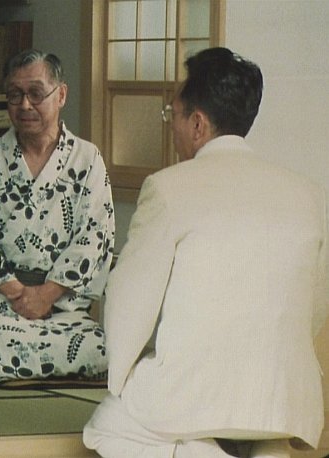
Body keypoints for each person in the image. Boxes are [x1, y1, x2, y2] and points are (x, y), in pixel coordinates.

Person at [83, 47, 329, 458]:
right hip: (285, 400)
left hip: (195, 393)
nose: (172, 127)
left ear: (197, 123)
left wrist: (121, 380)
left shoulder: (168, 188)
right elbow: (315, 309)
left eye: (172, 115)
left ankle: (205, 451)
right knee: (257, 429)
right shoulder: (308, 194)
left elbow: (127, 305)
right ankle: (265, 451)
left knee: (105, 427)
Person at [0, 49, 115, 383]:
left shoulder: (87, 159)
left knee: (100, 351)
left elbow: (95, 236)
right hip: (1, 299)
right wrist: (19, 295)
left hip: (61, 302)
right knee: (4, 349)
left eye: (36, 94)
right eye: (15, 95)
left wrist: (46, 295)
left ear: (61, 95)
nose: (25, 105)